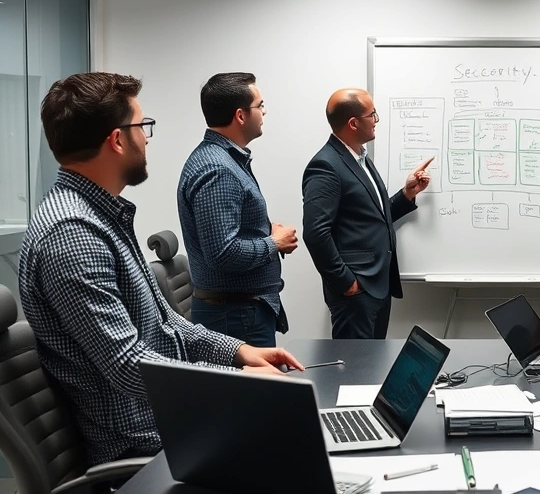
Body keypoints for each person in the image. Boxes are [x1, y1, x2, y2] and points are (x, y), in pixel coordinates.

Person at [18, 72, 302, 467]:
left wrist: (238, 351)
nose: (146, 138)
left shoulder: (100, 217)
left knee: (291, 429)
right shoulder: (74, 234)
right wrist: (235, 382)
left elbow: (166, 323)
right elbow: (129, 365)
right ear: (117, 140)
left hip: (162, 425)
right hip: (142, 446)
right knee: (288, 451)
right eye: (142, 126)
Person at [177, 72, 298, 347]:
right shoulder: (218, 169)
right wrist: (274, 242)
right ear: (240, 116)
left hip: (240, 313)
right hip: (235, 318)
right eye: (260, 105)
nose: (264, 112)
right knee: (251, 391)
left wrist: (267, 232)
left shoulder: (227, 160)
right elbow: (223, 253)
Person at [302, 88, 433, 339]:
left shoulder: (360, 158)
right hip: (356, 291)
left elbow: (372, 217)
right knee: (353, 371)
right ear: (353, 123)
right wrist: (346, 283)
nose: (376, 120)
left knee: (371, 368)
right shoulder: (326, 165)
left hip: (377, 286)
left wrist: (407, 194)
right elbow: (315, 233)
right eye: (372, 114)